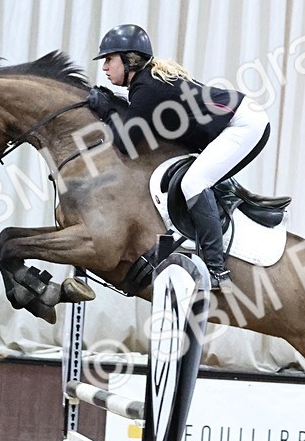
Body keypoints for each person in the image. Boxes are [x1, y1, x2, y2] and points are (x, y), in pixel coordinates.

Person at [86, 24, 271, 289]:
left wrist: (107, 112)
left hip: (243, 124)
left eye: (109, 59)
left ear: (130, 60)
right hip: (240, 118)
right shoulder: (145, 82)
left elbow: (126, 143)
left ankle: (217, 270)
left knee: (194, 183)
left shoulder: (147, 86)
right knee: (196, 178)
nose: (104, 67)